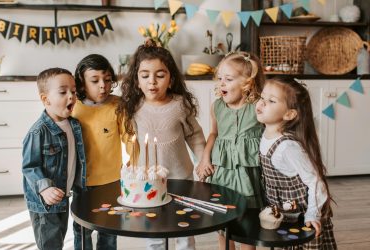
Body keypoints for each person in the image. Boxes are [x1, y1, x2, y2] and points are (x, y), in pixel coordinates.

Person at [117, 40, 206, 250]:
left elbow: (195, 137)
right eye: (145, 75)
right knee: (154, 229)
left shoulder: (180, 105)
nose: (152, 82)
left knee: (184, 228)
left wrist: (203, 163)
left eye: (160, 75)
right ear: (136, 80)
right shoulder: (133, 107)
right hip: (148, 181)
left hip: (181, 178)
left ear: (171, 78)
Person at [255, 76, 337, 249]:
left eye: (271, 101)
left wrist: (312, 215)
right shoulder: (265, 134)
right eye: (262, 97)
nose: (261, 103)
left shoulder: (287, 147)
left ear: (289, 114)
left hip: (302, 215)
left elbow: (315, 182)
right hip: (285, 213)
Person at [196, 51, 265, 250]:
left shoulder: (258, 107)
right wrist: (205, 158)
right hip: (222, 174)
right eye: (220, 79)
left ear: (247, 83)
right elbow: (214, 134)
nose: (221, 83)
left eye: (228, 79)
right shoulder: (217, 106)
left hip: (247, 178)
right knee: (223, 228)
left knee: (246, 230)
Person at [71, 54, 133, 250]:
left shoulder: (118, 105)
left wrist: (136, 163)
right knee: (82, 230)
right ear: (81, 83)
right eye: (95, 81)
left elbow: (130, 137)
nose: (103, 86)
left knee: (109, 230)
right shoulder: (72, 107)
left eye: (107, 80)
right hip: (81, 183)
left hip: (111, 182)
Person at [22, 67, 86, 250]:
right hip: (44, 204)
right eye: (63, 92)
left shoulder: (74, 125)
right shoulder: (38, 132)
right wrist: (45, 188)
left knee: (59, 237)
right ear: (45, 99)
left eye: (73, 91)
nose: (71, 96)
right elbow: (29, 166)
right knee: (50, 244)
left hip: (63, 197)